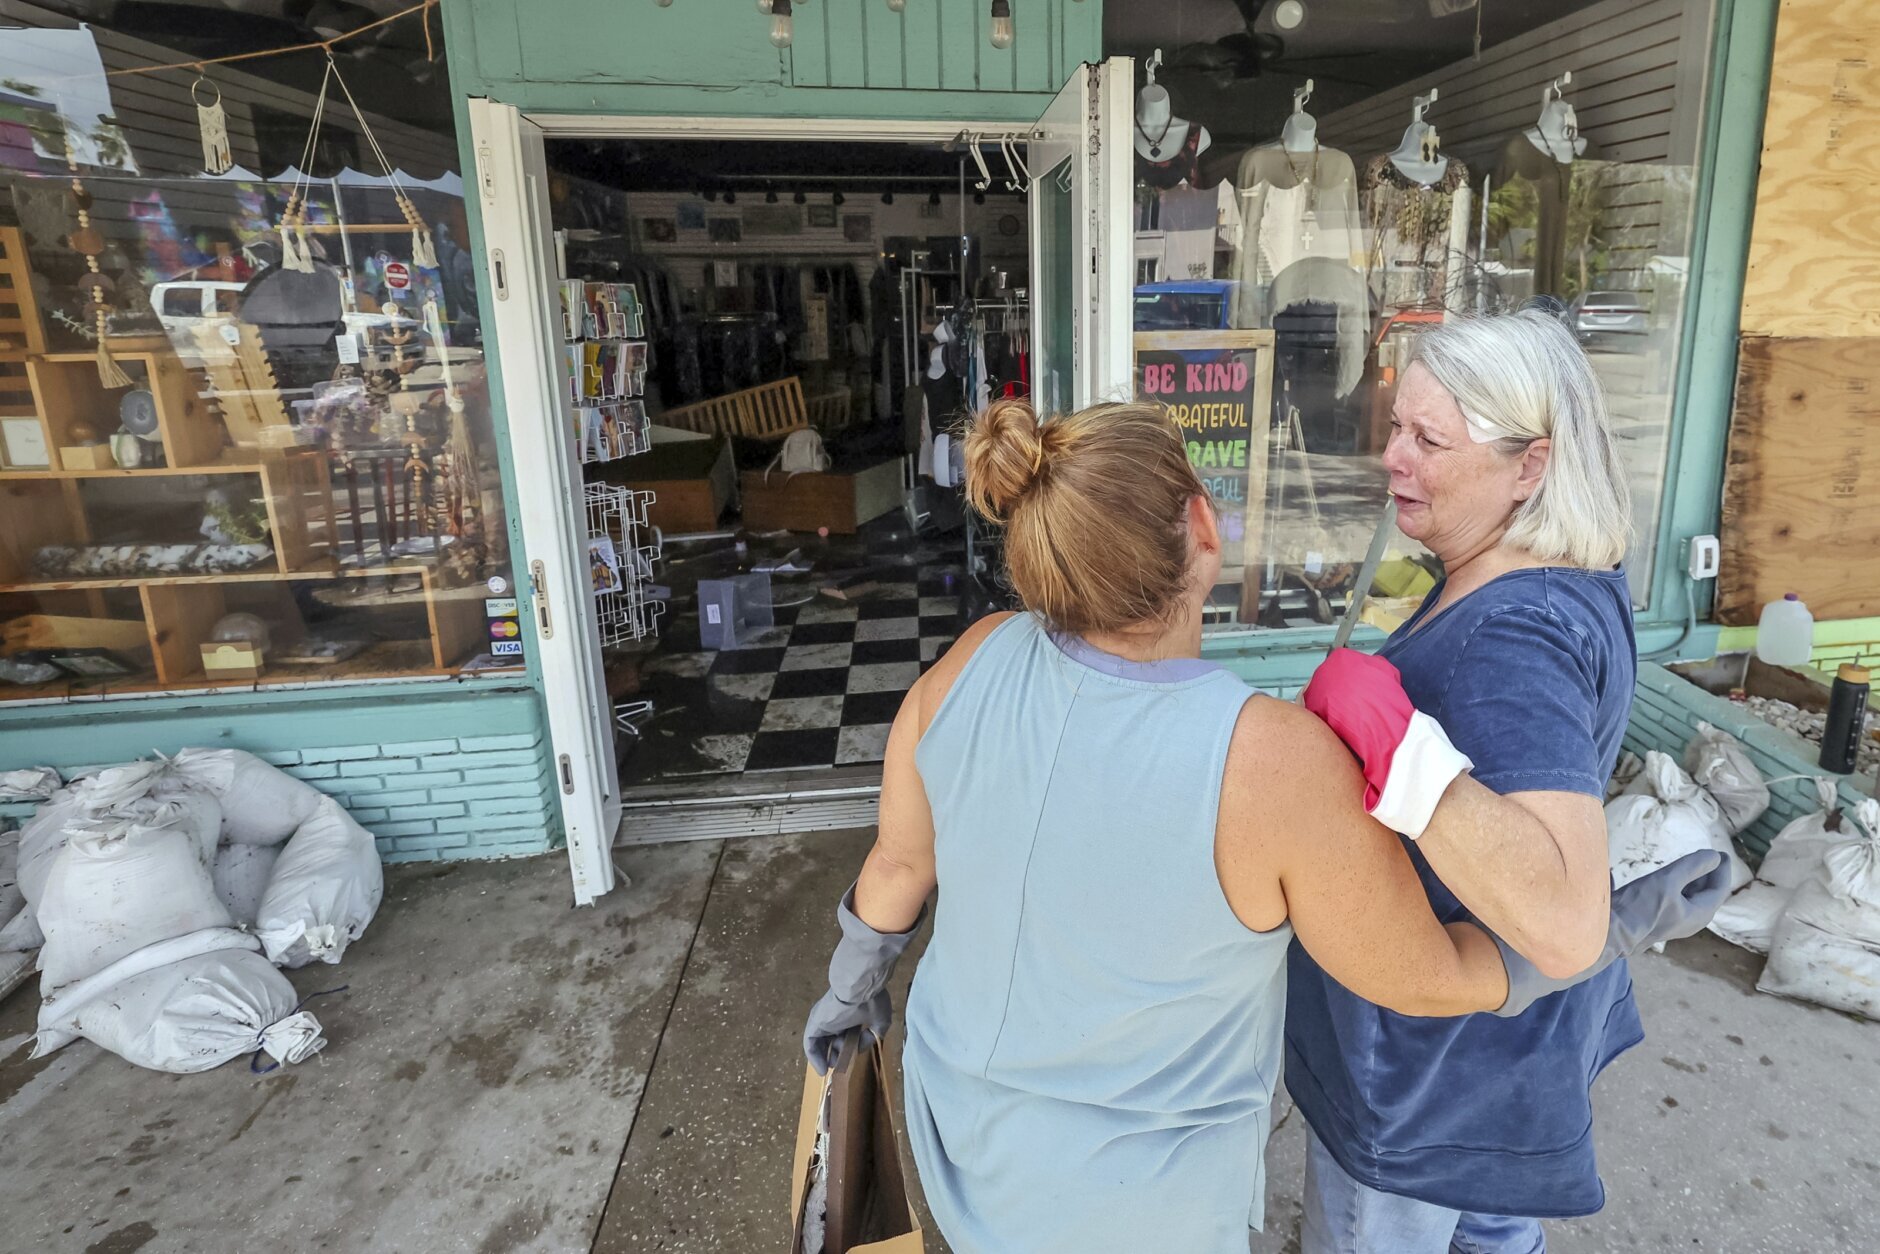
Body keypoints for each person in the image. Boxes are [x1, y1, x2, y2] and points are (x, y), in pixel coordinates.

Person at [797, 393, 1722, 1254]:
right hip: (1133, 1209)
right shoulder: (1276, 764)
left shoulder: (974, 656)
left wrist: (849, 989)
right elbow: (1433, 978)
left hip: (957, 1135)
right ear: (1204, 527)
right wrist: (1599, 934)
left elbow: (896, 869)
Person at [1289, 309, 1701, 1253]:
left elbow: (1563, 921)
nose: (1393, 457)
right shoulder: (1546, 569)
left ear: (1530, 465)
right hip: (1502, 1068)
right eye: (1397, 426)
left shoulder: (1515, 634)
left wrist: (1400, 752)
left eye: (1429, 441)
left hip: (1425, 1085)